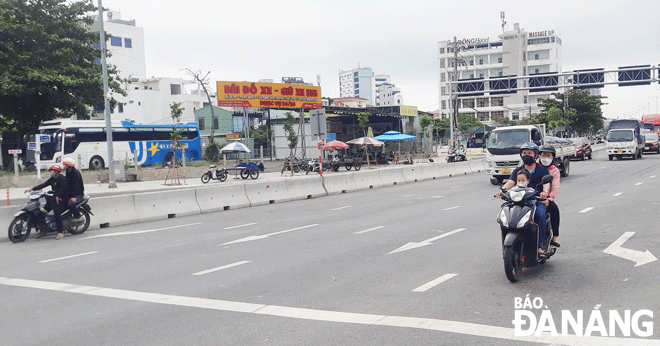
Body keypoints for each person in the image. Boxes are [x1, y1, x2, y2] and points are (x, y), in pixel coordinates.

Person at [495, 143, 551, 256]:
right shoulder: (518, 170)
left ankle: (540, 246)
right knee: (506, 217)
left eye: (529, 153)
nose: (526, 155)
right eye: (524, 153)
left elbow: (546, 184)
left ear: (535, 155)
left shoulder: (542, 170)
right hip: (519, 201)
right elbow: (511, 182)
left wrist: (544, 193)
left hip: (536, 201)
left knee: (539, 215)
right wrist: (502, 190)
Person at [26, 165, 67, 239]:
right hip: (52, 199)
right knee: (41, 213)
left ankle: (60, 232)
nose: (51, 172)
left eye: (52, 171)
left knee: (57, 214)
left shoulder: (62, 178)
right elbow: (43, 185)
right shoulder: (52, 179)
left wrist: (58, 195)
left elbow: (64, 189)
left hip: (60, 200)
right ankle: (43, 230)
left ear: (56, 171)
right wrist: (32, 189)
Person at [538, 145, 561, 247]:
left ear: (552, 157)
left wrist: (549, 198)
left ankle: (555, 236)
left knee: (554, 210)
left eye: (548, 155)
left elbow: (555, 188)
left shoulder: (555, 171)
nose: (545, 158)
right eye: (543, 155)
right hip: (531, 195)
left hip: (546, 197)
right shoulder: (535, 167)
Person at [62, 158, 85, 222]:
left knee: (70, 204)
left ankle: (78, 217)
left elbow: (76, 186)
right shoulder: (68, 172)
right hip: (71, 194)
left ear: (69, 165)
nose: (64, 166)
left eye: (65, 164)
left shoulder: (75, 173)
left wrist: (73, 197)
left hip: (78, 195)